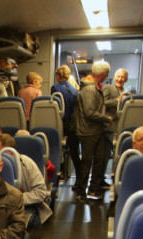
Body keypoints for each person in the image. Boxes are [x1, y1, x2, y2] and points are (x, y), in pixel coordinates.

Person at [0, 134, 52, 227]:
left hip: (26, 205)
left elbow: (40, 193)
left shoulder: (27, 163)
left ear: (9, 152)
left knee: (15, 224)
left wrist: (14, 199)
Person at [74, 60, 111, 202]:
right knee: (87, 161)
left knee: (99, 159)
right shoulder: (90, 89)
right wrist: (105, 118)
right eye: (106, 74)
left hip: (95, 130)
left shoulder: (92, 87)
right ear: (102, 74)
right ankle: (81, 191)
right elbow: (90, 112)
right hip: (88, 131)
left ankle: (93, 188)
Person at [51, 65, 79, 181]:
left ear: (58, 75)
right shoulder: (74, 89)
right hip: (73, 124)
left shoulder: (55, 88)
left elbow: (55, 107)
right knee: (74, 152)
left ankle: (57, 175)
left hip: (61, 123)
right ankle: (79, 178)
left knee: (56, 148)